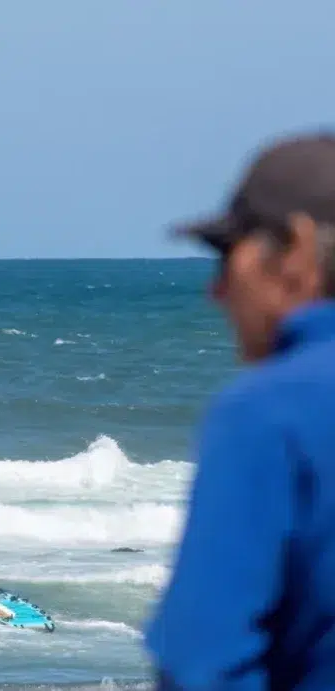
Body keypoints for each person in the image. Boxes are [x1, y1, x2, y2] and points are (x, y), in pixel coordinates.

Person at [145, 132, 335, 690]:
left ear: (296, 248)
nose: (218, 290)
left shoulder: (274, 410)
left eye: (229, 256)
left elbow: (202, 661)